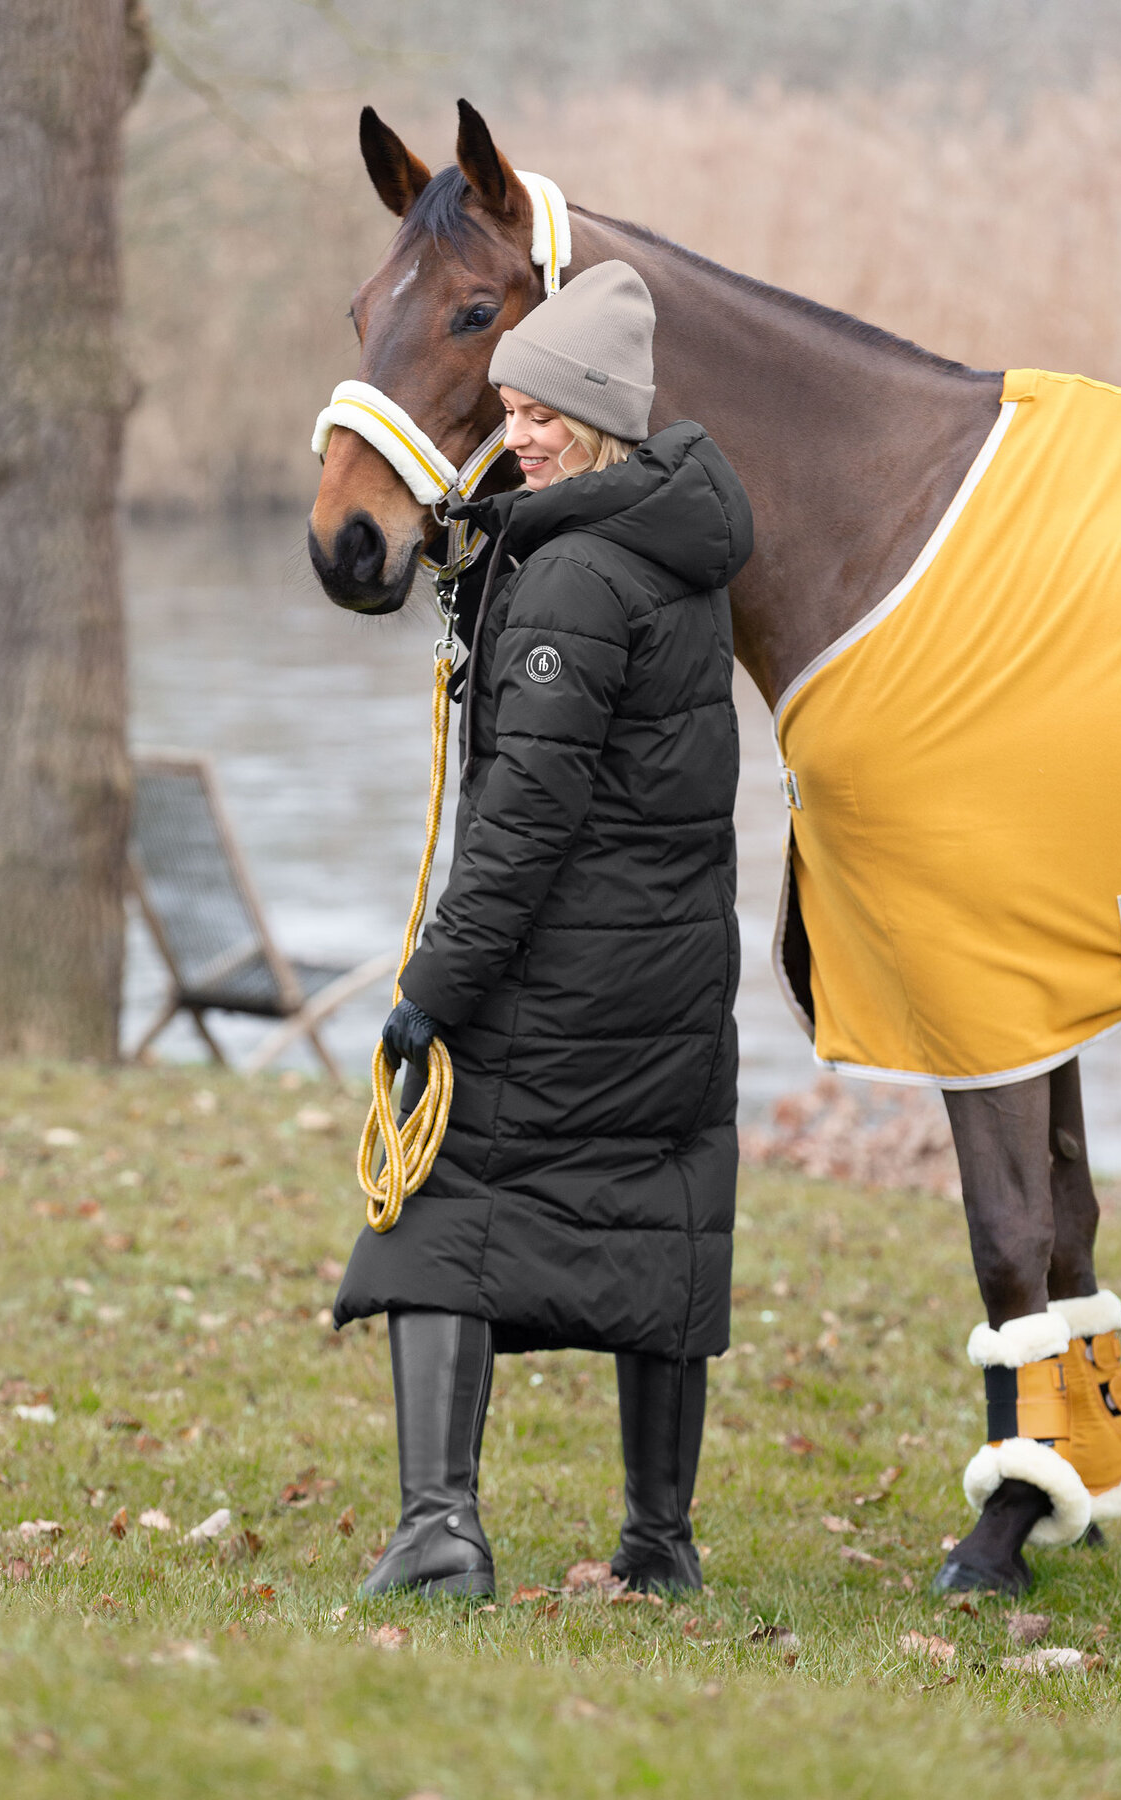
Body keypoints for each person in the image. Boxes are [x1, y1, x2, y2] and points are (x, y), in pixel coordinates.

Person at [333, 259, 753, 1598]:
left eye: (545, 411)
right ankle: (660, 1544)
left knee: (439, 1209)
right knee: (662, 1220)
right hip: (673, 980)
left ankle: (437, 1532)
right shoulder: (674, 548)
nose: (519, 432)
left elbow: (524, 822)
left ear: (604, 414)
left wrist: (432, 993)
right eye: (508, 408)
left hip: (562, 980)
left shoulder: (574, 576)